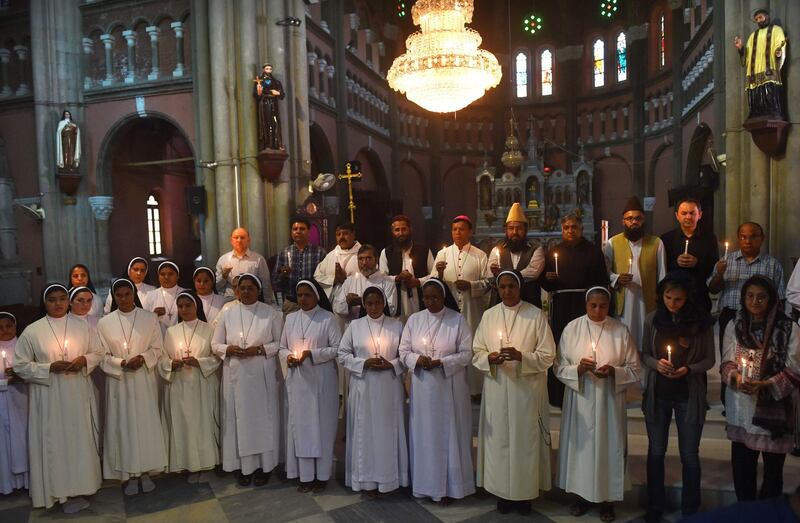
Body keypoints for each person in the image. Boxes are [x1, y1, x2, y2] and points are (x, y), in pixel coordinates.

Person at [14, 284, 103, 513]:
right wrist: (48, 368)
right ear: (45, 302)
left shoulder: (82, 326)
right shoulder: (32, 331)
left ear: (68, 301)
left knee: (78, 441)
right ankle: (60, 494)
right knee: (56, 444)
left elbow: (98, 352)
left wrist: (84, 360)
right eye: (53, 299)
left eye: (62, 298)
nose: (58, 303)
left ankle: (81, 487)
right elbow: (20, 365)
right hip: (50, 398)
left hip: (77, 395)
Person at [473, 270, 555, 515]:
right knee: (499, 442)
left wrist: (523, 357)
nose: (507, 291)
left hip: (526, 392)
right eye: (502, 287)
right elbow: (477, 351)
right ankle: (502, 493)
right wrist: (490, 358)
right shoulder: (488, 316)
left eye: (511, 287)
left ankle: (524, 494)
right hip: (498, 389)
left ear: (519, 288)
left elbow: (548, 355)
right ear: (497, 289)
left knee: (523, 442)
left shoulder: (535, 316)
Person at [556, 287, 640, 522]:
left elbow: (635, 368)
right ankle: (581, 497)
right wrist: (578, 370)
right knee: (582, 451)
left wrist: (614, 372)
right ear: (586, 305)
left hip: (609, 403)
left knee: (608, 448)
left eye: (603, 306)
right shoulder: (572, 329)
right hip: (580, 401)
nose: (598, 310)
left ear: (609, 305)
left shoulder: (620, 330)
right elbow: (559, 367)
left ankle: (607, 501)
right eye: (593, 305)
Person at [640, 271, 715, 522]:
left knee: (689, 455)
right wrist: (655, 364)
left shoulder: (701, 322)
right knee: (656, 451)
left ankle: (690, 509)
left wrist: (688, 369)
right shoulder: (652, 319)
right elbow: (644, 354)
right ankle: (655, 506)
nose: (672, 303)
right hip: (659, 393)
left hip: (688, 394)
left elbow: (709, 359)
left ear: (688, 299)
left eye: (679, 299)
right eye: (668, 297)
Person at [720, 275, 800, 502]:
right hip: (741, 404)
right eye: (750, 296)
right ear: (743, 298)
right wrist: (736, 377)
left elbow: (795, 370)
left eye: (761, 297)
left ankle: (768, 512)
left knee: (773, 472)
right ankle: (745, 511)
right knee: (742, 468)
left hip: (773, 408)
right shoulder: (734, 325)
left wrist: (765, 385)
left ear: (772, 299)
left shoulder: (788, 328)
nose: (755, 302)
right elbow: (727, 362)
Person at [399, 278, 474, 503]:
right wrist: (417, 359)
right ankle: (425, 485)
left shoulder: (457, 320)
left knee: (449, 434)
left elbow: (467, 353)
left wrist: (443, 363)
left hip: (449, 387)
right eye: (427, 298)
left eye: (435, 297)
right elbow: (403, 350)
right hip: (423, 390)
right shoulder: (414, 320)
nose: (431, 301)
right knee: (425, 436)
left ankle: (451, 487)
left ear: (443, 297)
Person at [212, 273, 282, 487]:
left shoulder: (271, 313)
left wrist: (260, 349)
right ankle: (243, 467)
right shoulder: (227, 313)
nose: (246, 291)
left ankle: (264, 466)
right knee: (237, 420)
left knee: (263, 419)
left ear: (258, 290)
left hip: (261, 374)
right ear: (237, 290)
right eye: (242, 288)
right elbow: (215, 344)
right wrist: (228, 348)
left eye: (250, 288)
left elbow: (280, 343)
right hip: (235, 375)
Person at [98, 278, 167, 496]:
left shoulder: (149, 318)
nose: (124, 299)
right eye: (119, 295)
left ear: (133, 295)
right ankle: (128, 476)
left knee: (144, 426)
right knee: (123, 427)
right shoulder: (104, 323)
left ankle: (146, 472)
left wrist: (143, 357)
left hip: (143, 381)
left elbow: (158, 348)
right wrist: (120, 363)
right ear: (113, 296)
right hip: (119, 383)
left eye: (127, 294)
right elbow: (101, 355)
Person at [338, 286, 408, 495]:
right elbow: (342, 354)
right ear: (364, 305)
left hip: (389, 389)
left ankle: (390, 479)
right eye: (369, 303)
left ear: (384, 303)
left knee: (388, 432)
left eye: (378, 302)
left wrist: (392, 365)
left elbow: (405, 355)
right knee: (365, 434)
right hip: (364, 388)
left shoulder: (396, 326)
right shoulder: (355, 326)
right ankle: (366, 479)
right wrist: (363, 363)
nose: (374, 307)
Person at [708, 222, 785, 403]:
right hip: (731, 315)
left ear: (762, 239)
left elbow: (780, 297)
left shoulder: (771, 264)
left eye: (753, 236)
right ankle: (728, 399)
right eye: (743, 236)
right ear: (738, 238)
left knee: (757, 358)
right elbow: (712, 289)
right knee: (730, 358)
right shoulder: (727, 262)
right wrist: (719, 274)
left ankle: (757, 394)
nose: (747, 240)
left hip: (761, 319)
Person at [279, 279, 342, 493]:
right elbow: (281, 347)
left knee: (322, 427)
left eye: (307, 295)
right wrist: (288, 356)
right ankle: (305, 476)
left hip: (322, 382)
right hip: (298, 382)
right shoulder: (290, 319)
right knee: (302, 427)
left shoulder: (328, 318)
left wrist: (312, 354)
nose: (303, 299)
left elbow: (337, 349)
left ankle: (322, 475)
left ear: (316, 295)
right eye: (300, 295)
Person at [541, 214, 609, 407]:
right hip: (562, 305)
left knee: (583, 344)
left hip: (584, 305)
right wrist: (549, 279)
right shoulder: (554, 251)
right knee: (561, 346)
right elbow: (546, 285)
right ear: (562, 230)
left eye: (574, 227)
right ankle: (558, 393)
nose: (570, 231)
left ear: (581, 229)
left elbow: (601, 281)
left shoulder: (593, 252)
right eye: (567, 228)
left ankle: (587, 387)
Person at [159, 292, 220, 483]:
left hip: (202, 385)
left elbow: (217, 357)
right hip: (179, 386)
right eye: (181, 306)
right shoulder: (171, 331)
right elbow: (162, 358)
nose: (184, 310)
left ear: (196, 306)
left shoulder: (209, 329)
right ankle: (188, 464)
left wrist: (199, 362)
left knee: (202, 424)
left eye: (188, 305)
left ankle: (206, 465)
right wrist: (171, 364)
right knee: (183, 424)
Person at [432, 215, 491, 397]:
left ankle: (474, 390)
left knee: (472, 346)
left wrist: (471, 286)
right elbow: (433, 283)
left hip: (472, 309)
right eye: (455, 229)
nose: (458, 233)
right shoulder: (442, 254)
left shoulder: (480, 255)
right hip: (448, 310)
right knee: (450, 346)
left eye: (462, 229)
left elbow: (489, 282)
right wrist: (440, 274)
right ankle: (451, 386)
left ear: (470, 232)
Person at [603, 197, 666, 347]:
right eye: (629, 218)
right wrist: (617, 278)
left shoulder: (657, 243)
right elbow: (606, 271)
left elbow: (662, 275)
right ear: (623, 221)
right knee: (625, 338)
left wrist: (662, 301)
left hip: (647, 301)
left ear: (643, 220)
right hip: (624, 301)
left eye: (638, 218)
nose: (634, 222)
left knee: (646, 338)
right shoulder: (612, 243)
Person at [660, 198, 719, 313]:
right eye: (684, 213)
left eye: (692, 213)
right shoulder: (667, 239)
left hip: (699, 296)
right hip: (674, 299)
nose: (688, 217)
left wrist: (697, 263)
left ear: (700, 215)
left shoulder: (709, 239)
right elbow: (662, 267)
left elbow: (714, 266)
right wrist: (676, 262)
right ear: (677, 215)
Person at [379, 215, 434, 322]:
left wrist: (418, 282)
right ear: (392, 232)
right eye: (397, 230)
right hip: (396, 305)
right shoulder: (386, 253)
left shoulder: (424, 250)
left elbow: (434, 275)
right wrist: (397, 278)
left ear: (410, 229)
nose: (401, 233)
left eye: (404, 229)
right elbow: (382, 279)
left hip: (420, 303)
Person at [734, 8, 787, 119]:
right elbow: (747, 54)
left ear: (767, 17)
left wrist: (778, 52)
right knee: (755, 91)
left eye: (761, 17)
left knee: (770, 88)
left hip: (769, 66)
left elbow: (780, 44)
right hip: (755, 69)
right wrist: (741, 48)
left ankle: (773, 111)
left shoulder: (776, 30)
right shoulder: (753, 35)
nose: (759, 20)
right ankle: (756, 112)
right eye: (756, 19)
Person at [488, 203, 545, 307]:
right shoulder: (497, 248)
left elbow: (532, 273)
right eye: (511, 228)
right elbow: (489, 275)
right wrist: (493, 272)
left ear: (525, 230)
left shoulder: (536, 248)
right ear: (506, 230)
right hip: (501, 304)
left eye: (519, 228)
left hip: (529, 303)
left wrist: (502, 274)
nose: (515, 232)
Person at [272, 217, 327, 314]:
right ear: (291, 232)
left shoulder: (319, 253)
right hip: (291, 303)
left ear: (309, 231)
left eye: (302, 229)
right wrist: (283, 275)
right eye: (295, 229)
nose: (298, 231)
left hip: (314, 303)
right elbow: (275, 281)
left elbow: (325, 279)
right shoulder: (284, 253)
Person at [333, 244, 397, 323]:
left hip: (379, 327)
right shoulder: (350, 281)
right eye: (361, 259)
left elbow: (392, 310)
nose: (364, 263)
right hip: (354, 328)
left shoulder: (387, 281)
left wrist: (363, 302)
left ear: (376, 259)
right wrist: (348, 302)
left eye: (368, 258)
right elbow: (338, 308)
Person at [0, 312, 27, 495]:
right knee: (6, 444)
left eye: (8, 326)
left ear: (15, 326)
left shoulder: (23, 347)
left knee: (23, 439)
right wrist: (5, 382)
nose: (5, 330)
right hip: (2, 403)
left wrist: (20, 377)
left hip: (23, 400)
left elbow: (33, 372)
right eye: (0, 328)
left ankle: (26, 481)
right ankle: (7, 483)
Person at [215, 227, 275, 304]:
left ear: (248, 240)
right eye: (236, 237)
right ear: (231, 240)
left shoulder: (258, 259)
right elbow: (217, 287)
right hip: (230, 302)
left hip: (251, 302)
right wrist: (224, 276)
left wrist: (267, 302)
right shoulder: (223, 259)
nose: (239, 240)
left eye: (242, 237)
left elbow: (265, 284)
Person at [314, 222, 362, 306]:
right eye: (338, 234)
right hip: (335, 305)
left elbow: (371, 278)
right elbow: (317, 276)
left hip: (357, 304)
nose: (341, 237)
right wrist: (334, 280)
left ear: (353, 234)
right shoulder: (330, 256)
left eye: (345, 233)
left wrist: (346, 279)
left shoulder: (363, 254)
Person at [142, 261, 187, 333]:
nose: (166, 277)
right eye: (162, 274)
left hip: (182, 335)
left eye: (170, 274)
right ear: (158, 276)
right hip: (158, 338)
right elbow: (142, 320)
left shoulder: (186, 294)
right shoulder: (150, 295)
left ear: (178, 276)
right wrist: (153, 315)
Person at [253, 62, 285, 150]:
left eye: (270, 69)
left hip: (274, 104)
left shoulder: (276, 82)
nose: (269, 71)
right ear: (263, 70)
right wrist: (259, 92)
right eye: (267, 69)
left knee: (275, 123)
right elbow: (256, 95)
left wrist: (277, 93)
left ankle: (277, 144)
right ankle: (266, 144)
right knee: (266, 123)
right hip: (264, 104)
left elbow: (282, 95)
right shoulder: (259, 81)